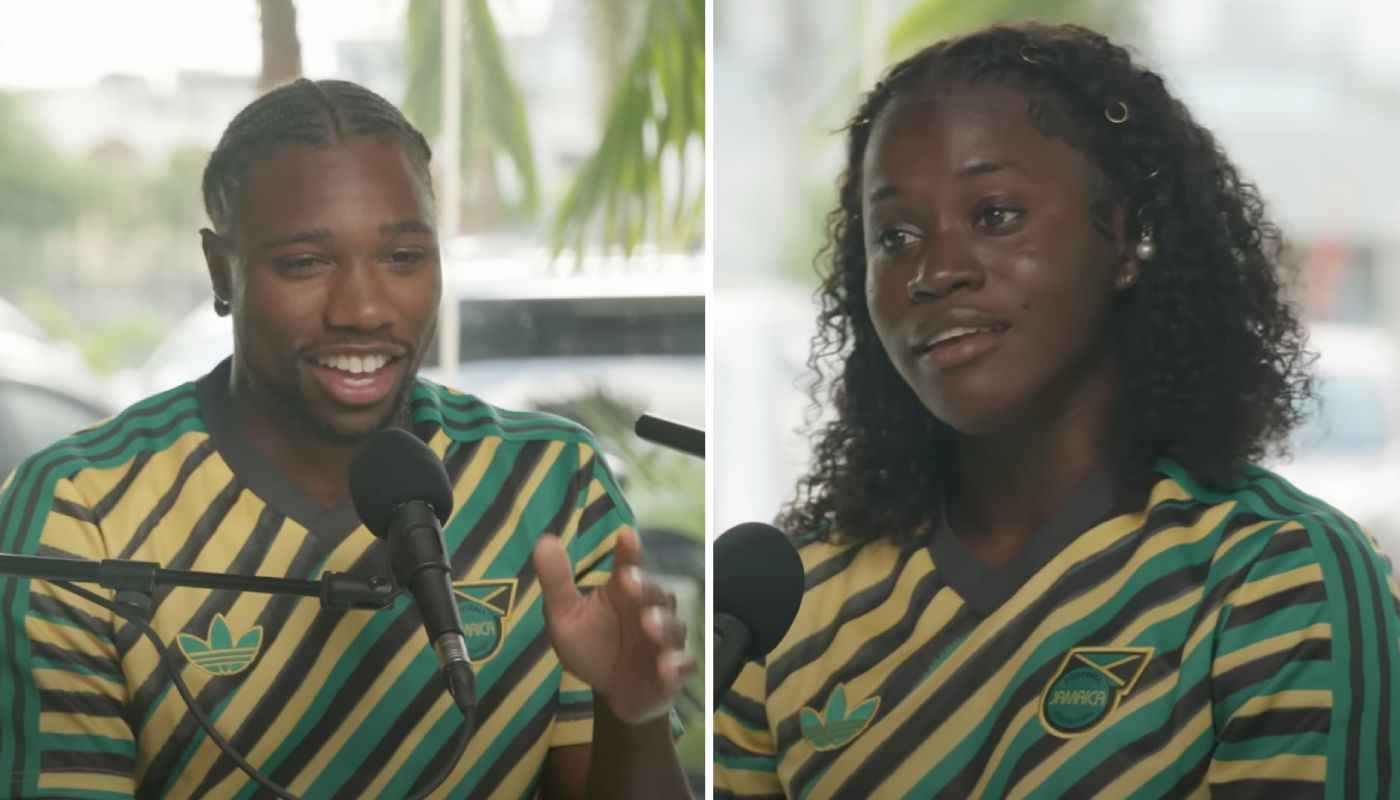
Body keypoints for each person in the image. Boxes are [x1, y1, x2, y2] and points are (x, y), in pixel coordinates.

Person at [714, 22, 1400, 799]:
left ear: (1129, 237)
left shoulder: (1274, 576)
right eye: (895, 236)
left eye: (996, 215)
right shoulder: (786, 605)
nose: (935, 272)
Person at [0, 78, 692, 799]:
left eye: (402, 257)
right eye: (305, 263)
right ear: (220, 269)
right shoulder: (77, 510)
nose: (362, 308)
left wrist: (633, 716)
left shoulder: (554, 479)